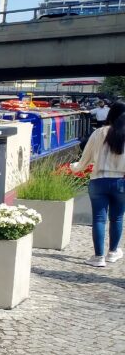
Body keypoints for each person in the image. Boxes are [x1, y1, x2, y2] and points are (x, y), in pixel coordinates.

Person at [73, 100, 125, 267]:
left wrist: (75, 167)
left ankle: (98, 257)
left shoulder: (98, 133)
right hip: (121, 182)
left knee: (99, 218)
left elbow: (85, 159)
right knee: (117, 218)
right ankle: (113, 252)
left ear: (110, 114)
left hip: (98, 181)